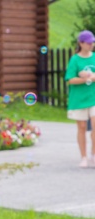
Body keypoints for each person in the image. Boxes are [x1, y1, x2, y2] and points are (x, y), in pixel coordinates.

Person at [65, 29, 95, 168]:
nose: (91, 45)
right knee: (82, 127)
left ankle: (93, 154)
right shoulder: (75, 60)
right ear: (81, 43)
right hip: (79, 99)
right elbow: (70, 80)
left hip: (93, 97)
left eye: (92, 42)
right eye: (88, 43)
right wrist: (84, 78)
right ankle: (83, 157)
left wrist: (91, 76)